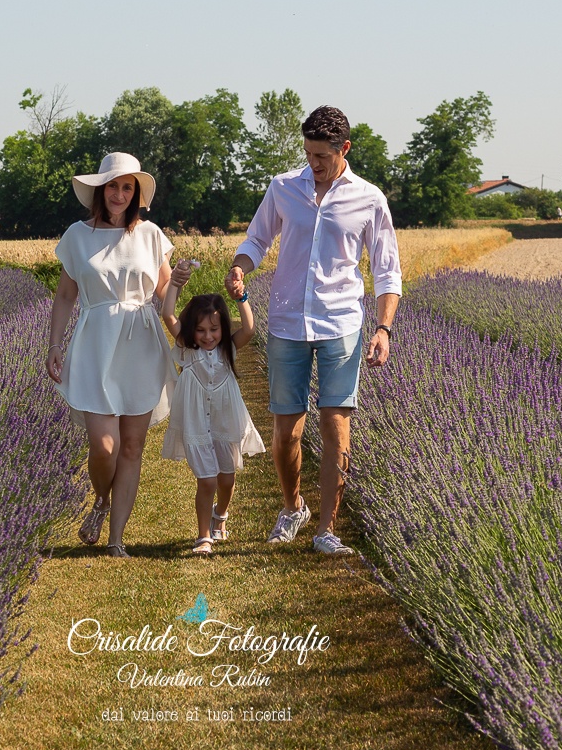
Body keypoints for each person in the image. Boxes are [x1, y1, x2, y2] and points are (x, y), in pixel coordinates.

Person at [224, 106, 402, 556]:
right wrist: (240, 267)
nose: (313, 163)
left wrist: (383, 328)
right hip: (287, 321)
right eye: (308, 153)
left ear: (344, 149)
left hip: (341, 322)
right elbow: (256, 239)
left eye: (322, 155)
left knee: (334, 424)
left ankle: (327, 529)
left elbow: (387, 272)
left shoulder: (369, 199)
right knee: (287, 430)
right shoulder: (284, 187)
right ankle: (293, 507)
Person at [46, 152, 181, 558]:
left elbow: (163, 292)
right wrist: (55, 344)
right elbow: (65, 295)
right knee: (104, 446)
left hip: (141, 343)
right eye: (112, 186)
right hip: (94, 344)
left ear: (136, 194)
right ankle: (102, 499)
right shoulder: (77, 235)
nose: (119, 194)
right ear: (99, 190)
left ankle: (116, 539)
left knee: (132, 447)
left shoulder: (151, 235)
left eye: (127, 188)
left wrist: (179, 286)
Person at [160, 274, 265, 556]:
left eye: (214, 330)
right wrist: (175, 285)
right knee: (207, 479)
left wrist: (241, 298)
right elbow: (168, 314)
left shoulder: (227, 348)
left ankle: (220, 515)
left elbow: (250, 329)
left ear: (223, 328)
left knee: (226, 479)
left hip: (225, 421)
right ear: (191, 331)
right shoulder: (187, 349)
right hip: (196, 423)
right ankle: (203, 536)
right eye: (201, 330)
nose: (208, 336)